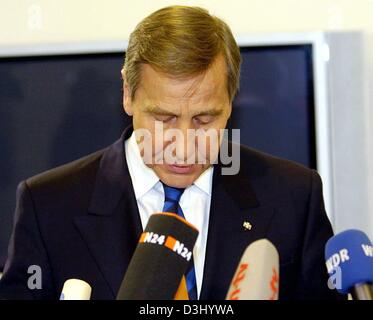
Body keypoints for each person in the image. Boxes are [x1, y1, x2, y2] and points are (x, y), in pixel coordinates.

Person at [0, 5, 340, 300]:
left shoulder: (293, 196)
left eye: (205, 119)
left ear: (231, 101)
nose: (184, 143)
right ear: (128, 95)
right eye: (164, 118)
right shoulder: (48, 205)